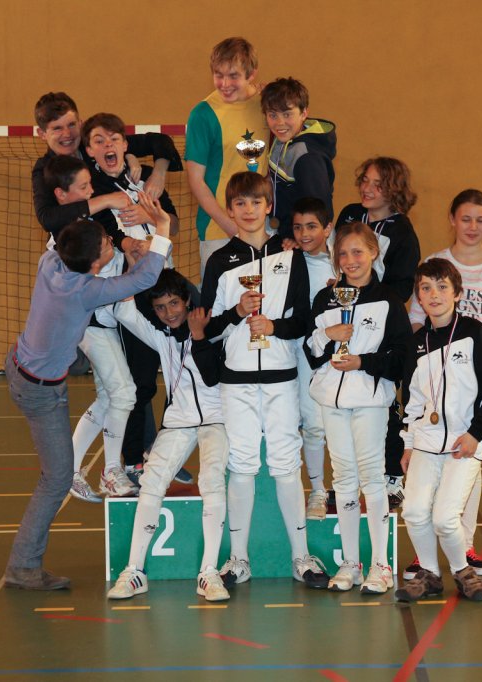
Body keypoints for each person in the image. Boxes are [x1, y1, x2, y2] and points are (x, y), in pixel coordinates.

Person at [3, 212, 172, 591]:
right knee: (57, 479)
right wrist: (161, 231)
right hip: (40, 390)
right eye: (108, 243)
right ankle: (23, 567)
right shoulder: (85, 291)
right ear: (95, 263)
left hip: (19, 364)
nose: (113, 242)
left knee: (97, 377)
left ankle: (24, 564)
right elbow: (144, 279)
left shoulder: (50, 263)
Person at [201, 172, 328, 589]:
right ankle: (238, 559)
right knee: (241, 465)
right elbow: (208, 328)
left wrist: (274, 327)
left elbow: (304, 321)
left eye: (256, 202)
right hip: (235, 381)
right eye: (240, 203)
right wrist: (237, 312)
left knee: (286, 464)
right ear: (229, 209)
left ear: (269, 206)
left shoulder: (291, 256)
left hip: (281, 379)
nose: (249, 210)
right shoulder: (219, 261)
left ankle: (301, 557)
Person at [403, 189, 482, 578]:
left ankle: (463, 550)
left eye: (480, 219)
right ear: (452, 219)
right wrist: (430, 355)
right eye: (465, 218)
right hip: (431, 415)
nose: (472, 226)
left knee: (458, 489)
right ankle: (427, 561)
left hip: (470, 400)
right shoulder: (434, 264)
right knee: (418, 506)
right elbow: (412, 394)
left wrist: (470, 358)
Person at [81, 112, 191, 487]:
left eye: (114, 138)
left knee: (179, 373)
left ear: (126, 143)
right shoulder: (92, 188)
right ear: (89, 151)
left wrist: (151, 210)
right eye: (98, 140)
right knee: (140, 383)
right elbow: (104, 229)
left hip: (163, 284)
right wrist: (128, 242)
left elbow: (174, 224)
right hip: (130, 292)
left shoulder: (140, 177)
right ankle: (131, 460)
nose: (108, 145)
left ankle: (161, 452)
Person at [107, 269, 230, 602]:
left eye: (174, 303)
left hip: (218, 419)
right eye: (160, 307)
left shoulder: (213, 328)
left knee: (211, 480)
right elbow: (125, 312)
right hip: (178, 422)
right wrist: (134, 267)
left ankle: (209, 572)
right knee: (152, 482)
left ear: (187, 300)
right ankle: (134, 571)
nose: (169, 312)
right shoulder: (160, 336)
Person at [394, 259, 482, 603]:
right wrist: (409, 443)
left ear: (457, 293)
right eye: (426, 288)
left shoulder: (476, 335)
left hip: (465, 443)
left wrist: (475, 434)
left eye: (442, 287)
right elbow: (412, 400)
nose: (434, 294)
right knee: (414, 511)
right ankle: (430, 574)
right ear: (418, 296)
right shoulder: (417, 343)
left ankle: (463, 572)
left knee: (445, 518)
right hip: (426, 443)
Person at [305, 223, 411, 594]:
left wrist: (363, 362)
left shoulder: (388, 300)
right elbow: (311, 353)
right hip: (331, 402)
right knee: (343, 480)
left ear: (373, 253)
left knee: (372, 478)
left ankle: (381, 565)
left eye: (357, 252)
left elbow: (401, 357)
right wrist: (327, 336)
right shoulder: (325, 299)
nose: (350, 260)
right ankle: (351, 563)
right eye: (343, 253)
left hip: (369, 402)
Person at [42, 155, 136, 502]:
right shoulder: (66, 233)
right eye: (83, 188)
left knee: (109, 396)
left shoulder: (93, 217)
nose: (90, 192)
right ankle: (111, 471)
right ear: (61, 194)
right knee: (124, 393)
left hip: (103, 321)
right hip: (90, 322)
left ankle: (70, 469)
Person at [336, 157, 420, 509]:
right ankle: (352, 478)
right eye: (365, 181)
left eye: (378, 184)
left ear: (394, 190)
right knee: (346, 400)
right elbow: (335, 256)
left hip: (380, 323)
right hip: (345, 317)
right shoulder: (350, 214)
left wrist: (372, 302)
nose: (368, 189)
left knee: (385, 402)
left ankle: (393, 477)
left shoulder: (403, 233)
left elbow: (402, 287)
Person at [31, 91, 177, 251]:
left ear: (80, 123)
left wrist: (158, 174)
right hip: (74, 250)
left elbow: (160, 141)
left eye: (71, 125)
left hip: (113, 247)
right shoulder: (43, 168)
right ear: (42, 134)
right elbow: (47, 218)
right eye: (57, 128)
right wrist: (106, 200)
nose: (67, 134)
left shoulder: (96, 146)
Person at [185, 38, 271, 278]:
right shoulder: (203, 114)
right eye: (218, 75)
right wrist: (231, 227)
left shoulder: (267, 105)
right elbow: (195, 180)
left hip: (262, 228)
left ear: (252, 74)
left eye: (233, 76)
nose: (224, 84)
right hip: (219, 232)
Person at [290, 197, 335, 520]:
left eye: (311, 226)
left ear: (327, 228)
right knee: (298, 425)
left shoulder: (340, 264)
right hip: (290, 350)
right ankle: (303, 490)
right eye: (298, 227)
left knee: (319, 424)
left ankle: (324, 489)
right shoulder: (287, 259)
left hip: (327, 354)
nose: (304, 234)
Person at [261, 78, 336, 240]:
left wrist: (299, 238)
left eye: (287, 114)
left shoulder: (308, 157)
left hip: (306, 241)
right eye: (272, 115)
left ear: (304, 113)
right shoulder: (284, 140)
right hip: (285, 233)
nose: (280, 123)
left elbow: (320, 210)